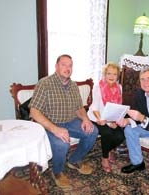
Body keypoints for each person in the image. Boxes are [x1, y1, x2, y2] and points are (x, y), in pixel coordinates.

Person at [29, 54, 99, 188]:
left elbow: (79, 108)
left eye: (70, 65)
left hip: (70, 121)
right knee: (62, 144)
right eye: (63, 65)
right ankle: (58, 172)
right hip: (49, 123)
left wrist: (85, 119)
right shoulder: (45, 83)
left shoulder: (73, 85)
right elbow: (34, 112)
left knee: (93, 131)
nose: (67, 68)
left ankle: (75, 160)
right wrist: (55, 129)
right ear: (56, 66)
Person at [87, 62, 125, 172]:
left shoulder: (119, 87)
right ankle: (104, 158)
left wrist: (114, 121)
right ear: (104, 74)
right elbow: (95, 107)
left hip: (111, 118)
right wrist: (104, 121)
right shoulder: (98, 86)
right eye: (109, 73)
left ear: (118, 76)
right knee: (107, 133)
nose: (111, 77)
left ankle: (108, 149)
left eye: (114, 74)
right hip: (96, 117)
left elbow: (118, 106)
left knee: (121, 135)